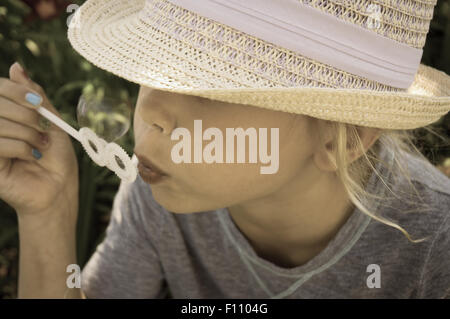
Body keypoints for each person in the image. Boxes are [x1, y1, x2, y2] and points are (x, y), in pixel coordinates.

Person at [0, 0, 449, 298]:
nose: (151, 109)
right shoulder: (163, 191)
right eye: (154, 62)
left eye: (209, 86)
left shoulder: (435, 245)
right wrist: (48, 215)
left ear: (344, 137)